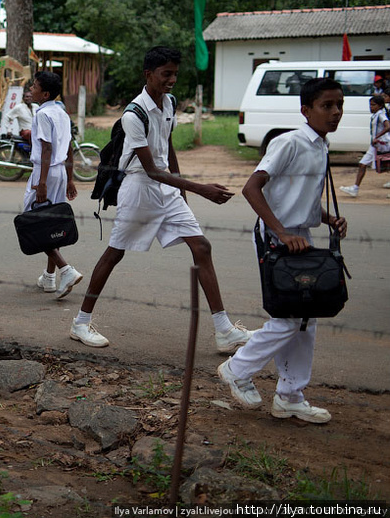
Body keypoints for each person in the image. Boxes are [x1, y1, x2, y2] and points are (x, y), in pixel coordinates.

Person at [71, 47, 253, 351]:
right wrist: (199, 188)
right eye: (165, 74)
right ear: (148, 75)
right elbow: (152, 170)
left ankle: (224, 330)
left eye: (175, 75)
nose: (171, 80)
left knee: (202, 247)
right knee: (114, 254)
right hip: (140, 188)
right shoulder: (134, 114)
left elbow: (167, 149)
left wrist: (182, 192)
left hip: (168, 187)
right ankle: (80, 322)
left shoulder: (169, 102)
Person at [218, 77, 348, 424]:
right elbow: (252, 188)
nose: (335, 112)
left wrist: (328, 218)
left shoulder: (320, 145)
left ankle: (290, 395)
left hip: (300, 235)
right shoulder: (289, 143)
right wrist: (281, 233)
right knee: (291, 317)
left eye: (339, 105)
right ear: (305, 110)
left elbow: (298, 199)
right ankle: (237, 368)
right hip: (277, 238)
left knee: (307, 317)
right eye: (326, 106)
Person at [25, 72, 83, 300]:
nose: (31, 88)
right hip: (59, 171)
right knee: (50, 222)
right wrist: (69, 178)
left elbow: (46, 150)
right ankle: (49, 277)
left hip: (45, 172)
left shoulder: (43, 115)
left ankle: (65, 270)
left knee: (33, 222)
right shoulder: (61, 113)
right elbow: (68, 148)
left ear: (45, 93)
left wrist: (41, 183)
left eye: (35, 86)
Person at [339, 95, 390, 198]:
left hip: (383, 145)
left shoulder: (381, 115)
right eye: (370, 105)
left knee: (386, 166)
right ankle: (355, 188)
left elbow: (388, 126)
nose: (371, 107)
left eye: (373, 105)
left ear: (380, 106)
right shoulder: (376, 115)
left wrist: (377, 137)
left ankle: (355, 188)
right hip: (375, 146)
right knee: (363, 164)